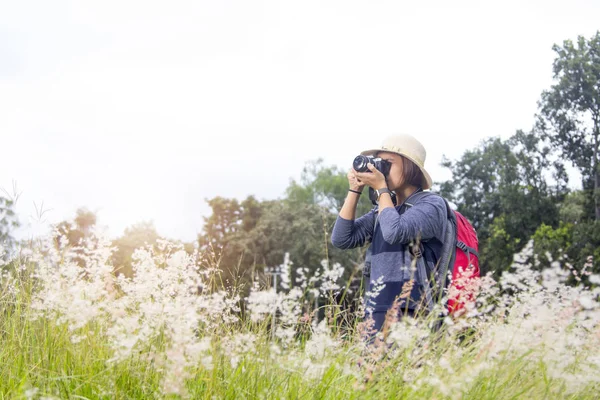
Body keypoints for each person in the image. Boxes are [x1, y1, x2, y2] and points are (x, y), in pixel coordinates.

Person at [331, 134, 449, 335]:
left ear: (410, 167)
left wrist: (381, 188)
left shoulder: (431, 204)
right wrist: (355, 190)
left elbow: (395, 231)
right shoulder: (383, 210)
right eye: (379, 163)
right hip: (375, 309)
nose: (380, 170)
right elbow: (341, 239)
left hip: (412, 311)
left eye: (388, 164)